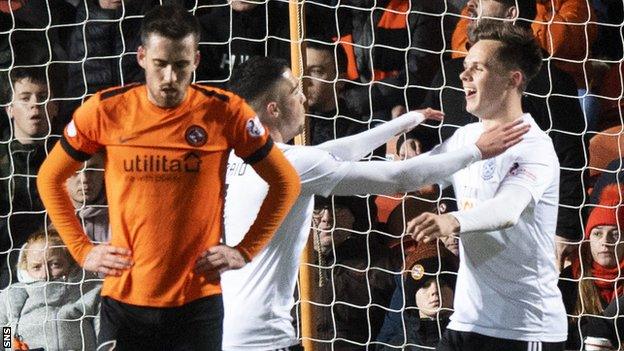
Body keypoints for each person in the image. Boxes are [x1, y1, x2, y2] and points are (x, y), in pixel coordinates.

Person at [211, 55, 529, 350]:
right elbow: (400, 177)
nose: (304, 97)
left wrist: (402, 123)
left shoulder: (235, 156)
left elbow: (334, 152)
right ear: (274, 109)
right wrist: (476, 151)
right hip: (265, 341)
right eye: (295, 91)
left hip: (231, 334)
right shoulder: (289, 166)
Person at [36, 5, 301, 350]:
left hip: (197, 305)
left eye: (180, 65)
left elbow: (286, 182)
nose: (170, 78)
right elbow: (49, 178)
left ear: (196, 60)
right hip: (125, 302)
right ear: (142, 57)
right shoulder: (105, 110)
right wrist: (82, 250)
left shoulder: (225, 112)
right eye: (161, 65)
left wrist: (245, 251)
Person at [409, 20, 567, 350]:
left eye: (477, 68)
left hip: (522, 329)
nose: (463, 76)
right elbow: (409, 174)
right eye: (465, 67)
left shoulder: (534, 146)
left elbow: (507, 209)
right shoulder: (465, 139)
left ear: (514, 79)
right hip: (467, 321)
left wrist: (452, 220)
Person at [412, 0, 586, 271]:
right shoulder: (449, 74)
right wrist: (410, 141)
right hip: (459, 231)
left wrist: (565, 228)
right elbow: (433, 136)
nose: (471, 5)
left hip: (525, 233)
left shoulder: (550, 81)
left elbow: (571, 159)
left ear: (511, 13)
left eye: (483, 1)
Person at [309, 196, 395, 349]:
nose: (327, 219)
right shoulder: (285, 264)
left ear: (353, 217)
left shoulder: (381, 262)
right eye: (317, 210)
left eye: (338, 209)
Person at [0, 66, 59, 289]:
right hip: (6, 277)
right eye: (25, 98)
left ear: (55, 107)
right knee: (6, 326)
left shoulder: (68, 157)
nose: (35, 104)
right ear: (10, 109)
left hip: (55, 271)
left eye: (43, 97)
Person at [0, 229, 101, 351]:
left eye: (55, 264)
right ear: (25, 268)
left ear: (71, 262)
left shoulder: (92, 290)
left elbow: (103, 335)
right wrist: (10, 346)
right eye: (36, 267)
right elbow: (5, 328)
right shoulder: (12, 295)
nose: (45, 274)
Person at [559, 184, 624, 349]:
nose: (605, 242)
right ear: (588, 240)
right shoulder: (570, 279)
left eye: (615, 234)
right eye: (597, 233)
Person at [377, 240, 458, 350]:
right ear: (412, 294)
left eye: (442, 284)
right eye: (425, 285)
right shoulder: (397, 346)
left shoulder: (474, 342)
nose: (434, 290)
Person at [65, 151, 110, 243]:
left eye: (92, 170)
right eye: (74, 170)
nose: (84, 179)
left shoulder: (122, 212)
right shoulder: (47, 215)